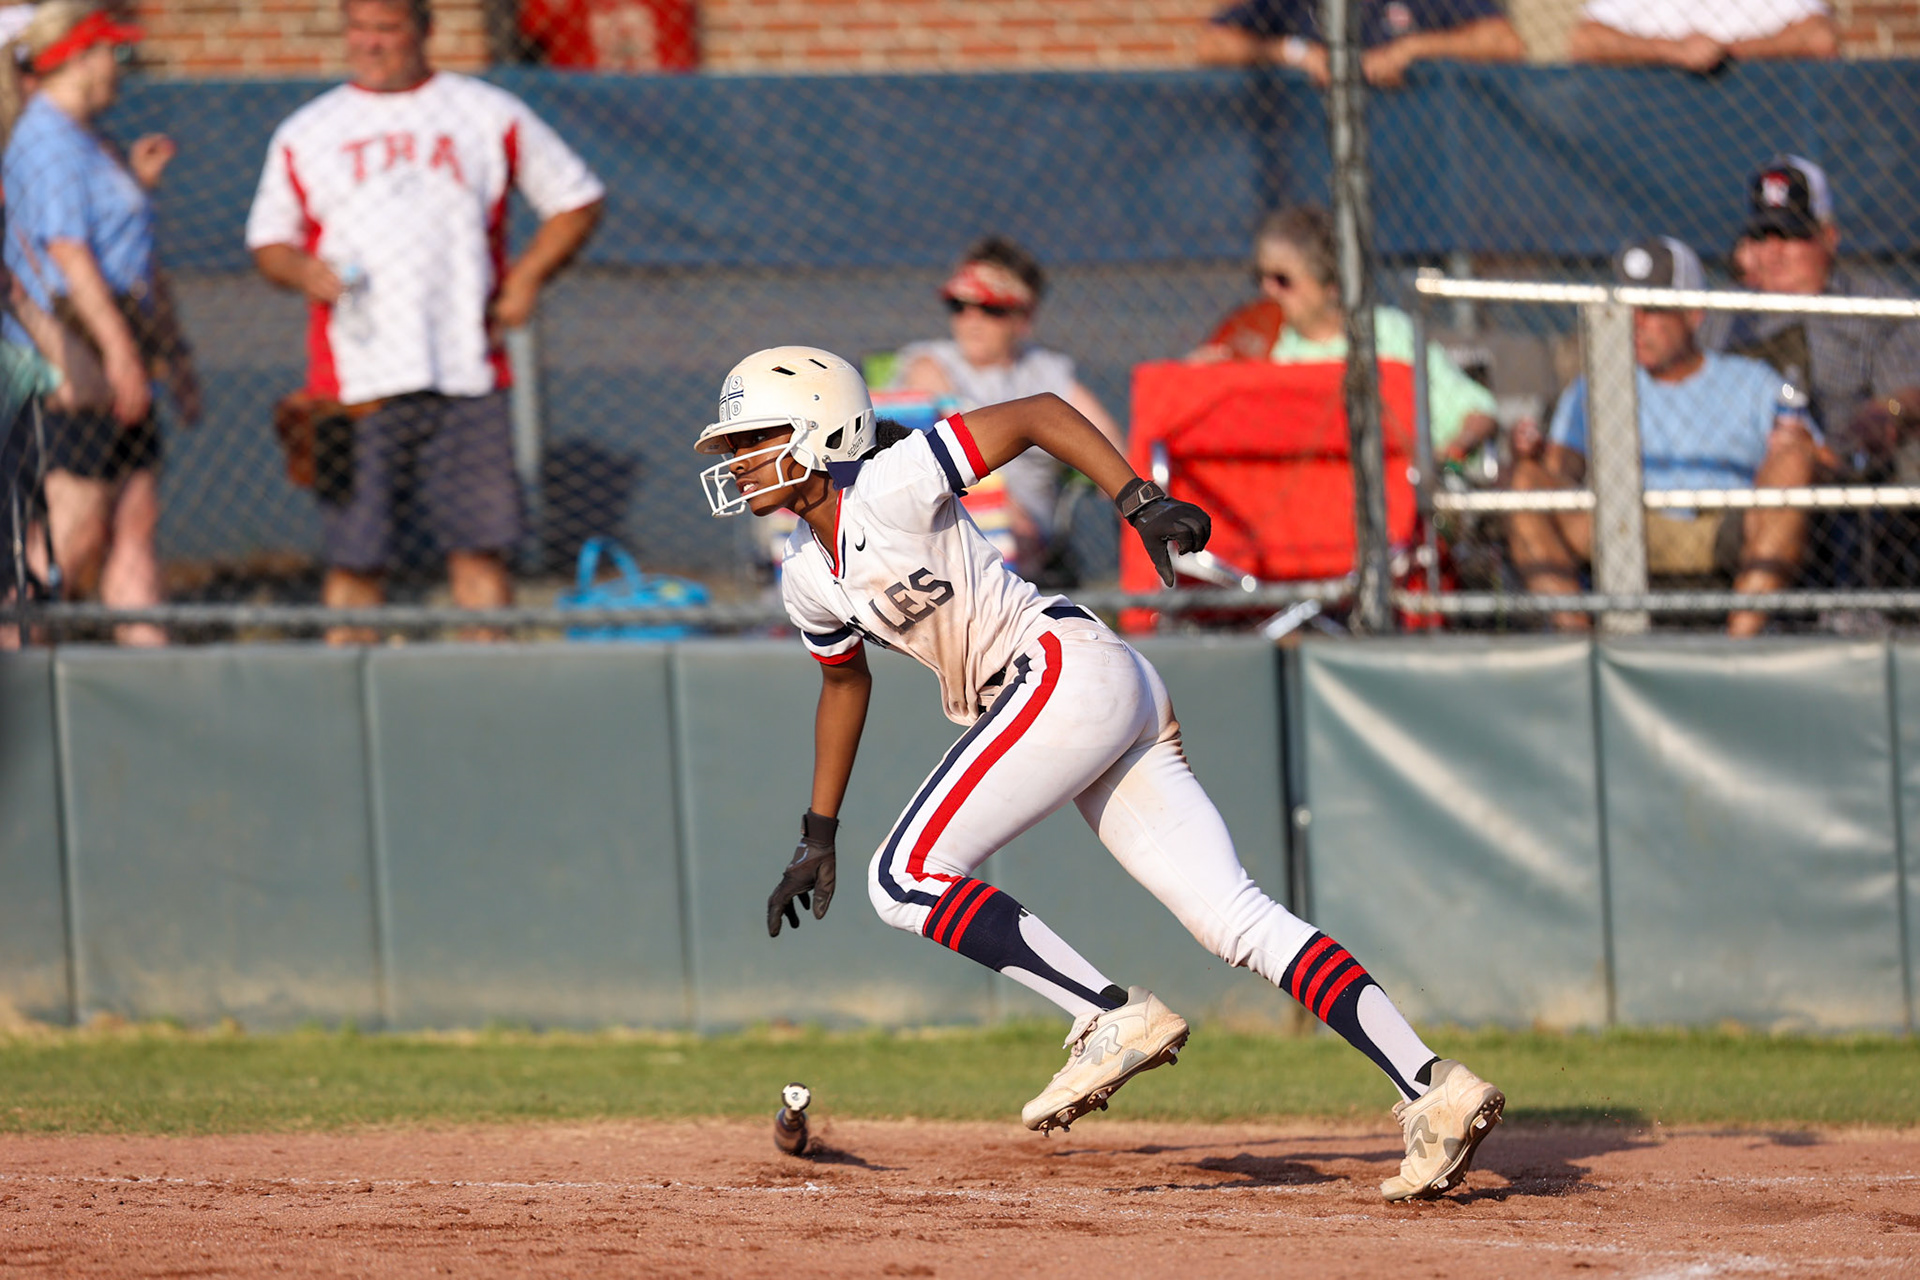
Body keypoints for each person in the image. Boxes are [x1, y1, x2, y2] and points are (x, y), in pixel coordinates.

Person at [694, 344, 1507, 1202]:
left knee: (902, 878)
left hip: (1057, 667)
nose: (740, 463)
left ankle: (1104, 1014)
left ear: (824, 429)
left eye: (755, 439)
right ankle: (1434, 1086)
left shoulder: (892, 479)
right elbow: (842, 681)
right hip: (1085, 687)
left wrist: (1137, 499)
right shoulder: (804, 574)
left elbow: (1039, 411)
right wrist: (815, 831)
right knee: (1234, 918)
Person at [245, 0, 605, 644]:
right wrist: (302, 271)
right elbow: (269, 242)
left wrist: (523, 282)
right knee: (357, 558)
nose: (370, 43)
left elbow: (575, 199)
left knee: (480, 554)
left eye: (386, 28)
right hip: (352, 382)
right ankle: (348, 708)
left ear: (423, 31)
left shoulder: (484, 113)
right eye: (358, 28)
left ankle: (488, 705)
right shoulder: (311, 129)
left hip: (465, 369)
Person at [2, 2, 199, 647]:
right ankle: (22, 664)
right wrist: (118, 354)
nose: (120, 66)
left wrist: (173, 354)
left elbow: (123, 249)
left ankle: (152, 680)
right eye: (110, 52)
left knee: (134, 521)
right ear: (81, 58)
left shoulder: (87, 140)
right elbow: (67, 254)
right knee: (72, 530)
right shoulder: (47, 136)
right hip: (76, 353)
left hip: (123, 343)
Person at [1508, 237, 1817, 637]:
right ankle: (1582, 648)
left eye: (1652, 310)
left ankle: (1740, 644)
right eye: (1625, 310)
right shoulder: (1591, 387)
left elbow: (1819, 458)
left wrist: (1794, 449)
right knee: (1525, 483)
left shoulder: (1753, 381)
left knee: (1796, 459)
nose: (1636, 324)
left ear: (1693, 313)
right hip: (1621, 527)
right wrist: (1530, 457)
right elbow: (1558, 472)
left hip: (1723, 528)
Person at [889, 237, 1122, 580]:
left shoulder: (1048, 374)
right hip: (953, 523)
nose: (971, 319)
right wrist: (1003, 515)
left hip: (1025, 540)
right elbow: (951, 449)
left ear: (1023, 318)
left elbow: (1118, 455)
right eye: (959, 305)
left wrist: (1136, 500)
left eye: (991, 308)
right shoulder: (929, 364)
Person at [1704, 156, 1920, 478]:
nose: (1773, 253)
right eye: (1762, 236)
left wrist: (1884, 413)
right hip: (1730, 480)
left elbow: (1905, 393)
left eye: (1789, 235)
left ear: (1828, 237)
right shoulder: (1722, 315)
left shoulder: (1878, 308)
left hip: (1844, 485)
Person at [1243, 205, 1499, 465]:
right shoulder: (1269, 348)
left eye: (1282, 280)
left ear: (1331, 285)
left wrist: (1449, 456)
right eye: (1260, 277)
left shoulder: (1390, 335)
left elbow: (1476, 410)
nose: (1267, 290)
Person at [1196, 0, 1524, 89]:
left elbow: (1505, 42)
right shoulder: (1291, 3)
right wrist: (1296, 53)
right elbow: (1210, 44)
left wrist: (1413, 49)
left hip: (1419, 183)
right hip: (1312, 174)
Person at [1568, 0, 1838, 71]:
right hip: (1653, 133)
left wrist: (1728, 51)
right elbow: (1585, 41)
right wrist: (1674, 51)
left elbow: (1821, 37)